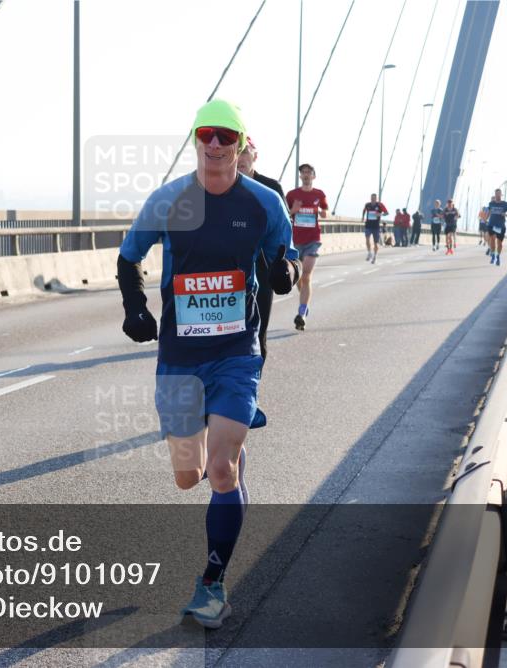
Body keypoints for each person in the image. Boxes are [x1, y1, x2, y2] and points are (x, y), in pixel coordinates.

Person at [116, 99, 299, 629]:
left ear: (240, 145)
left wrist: (282, 272)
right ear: (196, 138)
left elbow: (281, 256)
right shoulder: (169, 200)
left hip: (237, 353)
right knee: (186, 476)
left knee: (220, 470)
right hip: (178, 355)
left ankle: (212, 583)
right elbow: (129, 259)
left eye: (225, 136)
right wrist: (135, 308)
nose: (215, 144)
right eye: (206, 134)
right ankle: (227, 449)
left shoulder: (264, 203)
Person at [236, 138, 283, 360]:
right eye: (236, 151)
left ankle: (252, 391)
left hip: (263, 272)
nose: (240, 157)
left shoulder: (271, 188)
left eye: (245, 152)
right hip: (228, 274)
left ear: (255, 156)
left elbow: (284, 232)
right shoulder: (216, 187)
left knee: (258, 335)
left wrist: (287, 268)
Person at [284, 163, 328, 331]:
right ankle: (305, 302)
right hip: (295, 241)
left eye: (309, 172)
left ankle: (301, 313)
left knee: (307, 276)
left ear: (314, 176)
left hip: (313, 240)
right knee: (299, 277)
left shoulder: (319, 194)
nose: (306, 175)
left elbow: (325, 210)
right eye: (303, 172)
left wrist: (324, 213)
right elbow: (284, 213)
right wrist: (293, 210)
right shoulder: (292, 194)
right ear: (300, 176)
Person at [486, 189, 507, 266]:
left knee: (499, 243)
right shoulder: (491, 203)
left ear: (501, 195)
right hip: (491, 224)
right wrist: (485, 219)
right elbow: (489, 212)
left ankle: (498, 256)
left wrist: (506, 215)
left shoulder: (505, 204)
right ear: (495, 195)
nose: (497, 195)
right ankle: (493, 255)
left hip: (500, 225)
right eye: (496, 194)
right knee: (492, 239)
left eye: (499, 194)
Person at [362, 194, 387, 263]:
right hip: (368, 225)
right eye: (372, 198)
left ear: (376, 198)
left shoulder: (380, 205)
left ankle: (375, 256)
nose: (373, 199)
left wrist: (380, 214)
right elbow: (364, 210)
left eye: (374, 198)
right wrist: (362, 217)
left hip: (376, 226)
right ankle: (369, 253)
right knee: (367, 239)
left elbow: (386, 213)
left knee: (376, 243)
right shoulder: (367, 205)